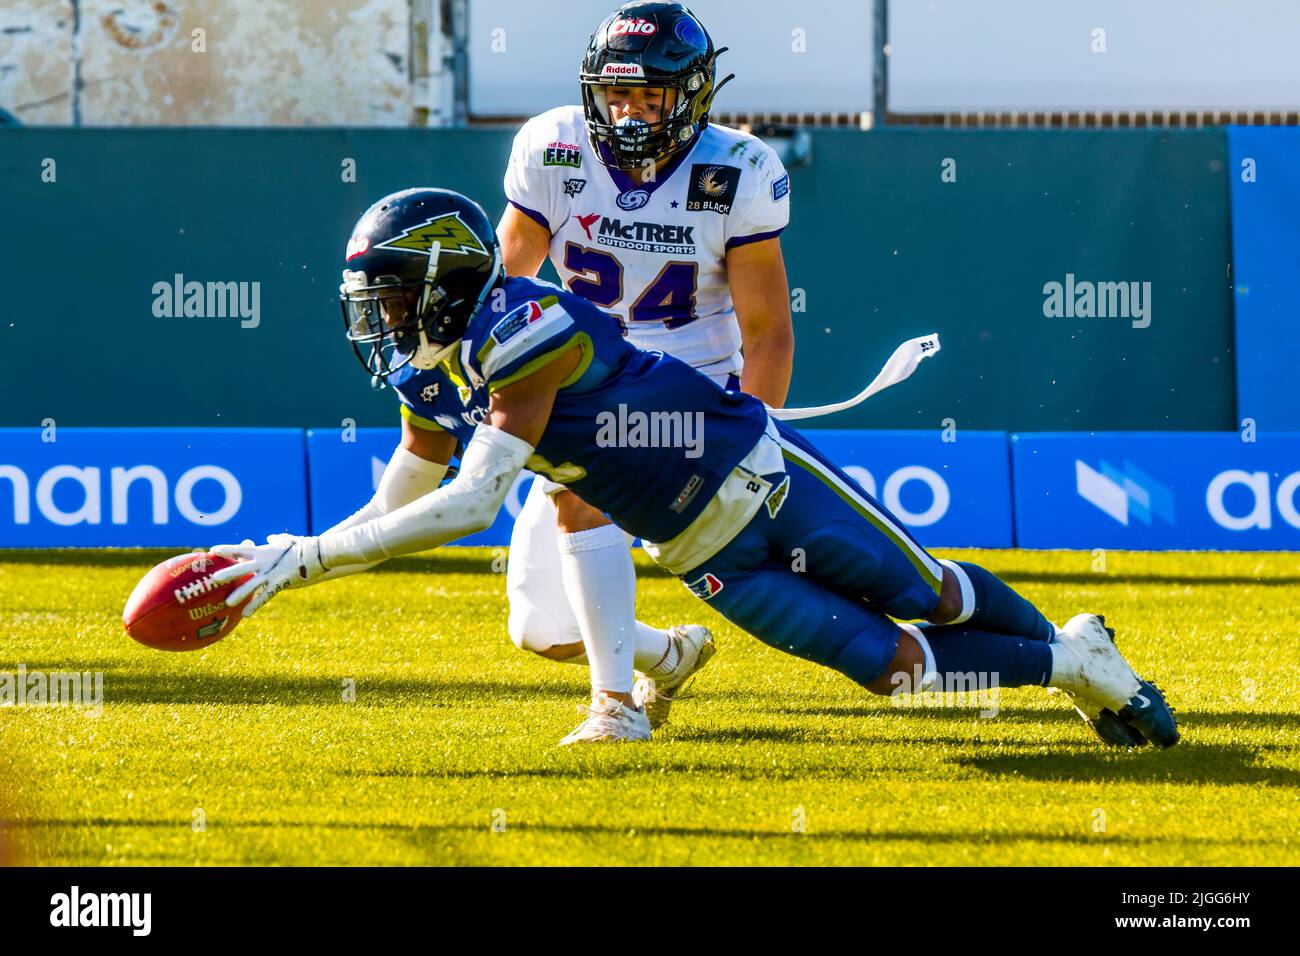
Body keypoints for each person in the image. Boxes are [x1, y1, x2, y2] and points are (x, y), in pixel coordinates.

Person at [210, 187, 1179, 751]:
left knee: (932, 594)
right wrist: (294, 557)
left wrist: (307, 560)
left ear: (444, 282)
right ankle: (1072, 658)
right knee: (896, 673)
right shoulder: (433, 377)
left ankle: (1074, 656)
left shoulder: (521, 324)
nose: (375, 320)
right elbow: (402, 495)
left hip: (762, 476)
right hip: (703, 548)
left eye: (386, 297)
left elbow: (471, 501)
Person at [494, 1, 794, 741]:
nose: (628, 113)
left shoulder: (739, 167)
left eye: (649, 95)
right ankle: (669, 655)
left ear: (691, 95)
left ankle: (615, 708)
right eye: (615, 94)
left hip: (691, 390)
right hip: (587, 375)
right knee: (539, 629)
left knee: (579, 502)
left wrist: (754, 436)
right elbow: (505, 281)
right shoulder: (553, 145)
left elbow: (768, 332)